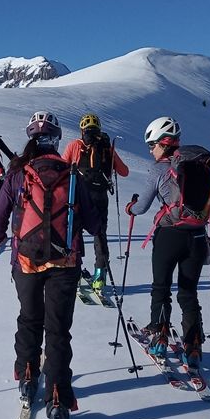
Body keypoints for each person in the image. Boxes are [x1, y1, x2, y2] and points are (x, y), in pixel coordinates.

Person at [0, 111, 100, 419]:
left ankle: (27, 376)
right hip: (65, 264)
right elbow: (93, 224)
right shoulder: (73, 175)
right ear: (56, 140)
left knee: (29, 318)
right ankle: (57, 397)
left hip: (25, 262)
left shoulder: (18, 173)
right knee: (58, 330)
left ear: (32, 139)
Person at [126, 116, 210, 368]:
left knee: (161, 288)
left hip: (169, 236)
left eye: (151, 145)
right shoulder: (196, 166)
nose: (150, 150)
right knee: (188, 293)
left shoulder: (159, 169)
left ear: (161, 143)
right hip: (198, 237)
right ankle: (194, 347)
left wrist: (130, 208)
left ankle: (159, 337)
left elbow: (143, 206)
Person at [62, 113, 129, 293]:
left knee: (75, 233)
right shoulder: (106, 147)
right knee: (100, 234)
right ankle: (100, 276)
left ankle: (73, 272)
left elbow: (61, 168)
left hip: (78, 197)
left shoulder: (75, 146)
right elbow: (124, 172)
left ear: (81, 130)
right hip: (100, 198)